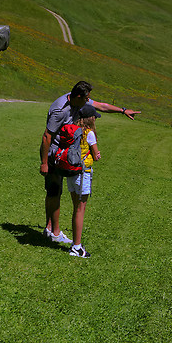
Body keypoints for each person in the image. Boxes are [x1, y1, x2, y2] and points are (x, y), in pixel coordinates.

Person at [42, 80, 134, 245]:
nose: (88, 101)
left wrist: (123, 110)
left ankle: (50, 229)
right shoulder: (59, 110)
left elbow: (101, 106)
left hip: (69, 153)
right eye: (86, 99)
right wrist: (44, 162)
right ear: (78, 96)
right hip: (55, 153)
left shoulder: (79, 101)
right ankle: (53, 231)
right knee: (54, 191)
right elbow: (47, 136)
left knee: (57, 191)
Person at [54, 107, 101, 257]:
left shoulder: (72, 130)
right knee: (80, 210)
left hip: (71, 172)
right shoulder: (89, 133)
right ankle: (76, 247)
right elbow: (95, 154)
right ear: (90, 118)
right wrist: (97, 154)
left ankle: (76, 243)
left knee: (76, 208)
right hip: (83, 172)